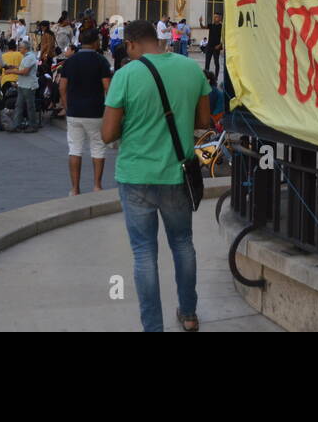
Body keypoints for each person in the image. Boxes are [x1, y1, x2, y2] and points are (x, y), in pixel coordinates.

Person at [101, 20, 211, 332]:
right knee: (183, 243)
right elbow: (204, 119)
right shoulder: (191, 70)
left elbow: (108, 134)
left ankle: (153, 326)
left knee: (144, 253)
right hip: (177, 173)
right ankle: (189, 314)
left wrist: (134, 122)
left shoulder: (125, 75)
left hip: (136, 174)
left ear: (133, 43)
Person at [59, 29, 113, 192]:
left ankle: (75, 188)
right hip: (95, 111)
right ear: (96, 42)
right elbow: (107, 87)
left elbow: (62, 87)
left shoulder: (70, 61)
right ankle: (97, 185)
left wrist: (66, 106)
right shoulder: (101, 61)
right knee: (98, 147)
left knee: (75, 149)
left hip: (74, 111)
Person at [9, 38, 40, 133]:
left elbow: (25, 72)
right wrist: (14, 67)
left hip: (29, 85)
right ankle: (16, 125)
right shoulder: (26, 57)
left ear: (25, 48)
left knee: (30, 106)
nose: (19, 49)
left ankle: (33, 125)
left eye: (20, 48)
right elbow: (23, 68)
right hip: (23, 85)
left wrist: (12, 71)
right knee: (19, 105)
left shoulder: (30, 57)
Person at [204, 13, 223, 79]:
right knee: (207, 62)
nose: (215, 18)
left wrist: (220, 45)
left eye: (216, 17)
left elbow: (224, 37)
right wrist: (200, 22)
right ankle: (206, 76)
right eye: (214, 17)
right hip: (209, 46)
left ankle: (216, 77)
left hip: (216, 47)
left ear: (220, 18)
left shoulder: (222, 27)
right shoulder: (211, 25)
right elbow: (203, 27)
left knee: (216, 62)